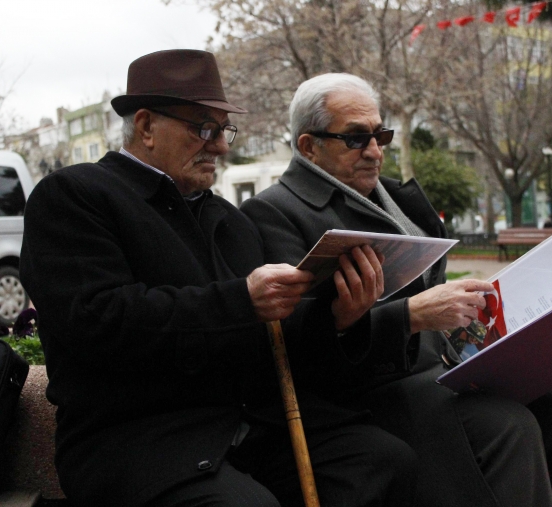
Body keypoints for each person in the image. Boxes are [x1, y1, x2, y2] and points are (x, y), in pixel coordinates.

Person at [19, 52, 419, 507]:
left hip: (248, 427)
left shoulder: (228, 219)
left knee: (381, 460)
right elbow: (99, 320)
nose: (221, 147)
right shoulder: (75, 195)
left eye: (223, 130)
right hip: (139, 439)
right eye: (203, 128)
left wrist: (341, 319)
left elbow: (271, 341)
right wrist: (242, 300)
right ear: (146, 126)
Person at [240, 73, 552, 507]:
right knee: (509, 425)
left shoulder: (393, 197)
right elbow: (292, 343)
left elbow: (431, 289)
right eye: (356, 138)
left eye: (380, 135)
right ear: (309, 146)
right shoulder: (271, 212)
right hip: (362, 394)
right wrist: (407, 315)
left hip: (444, 369)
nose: (374, 150)